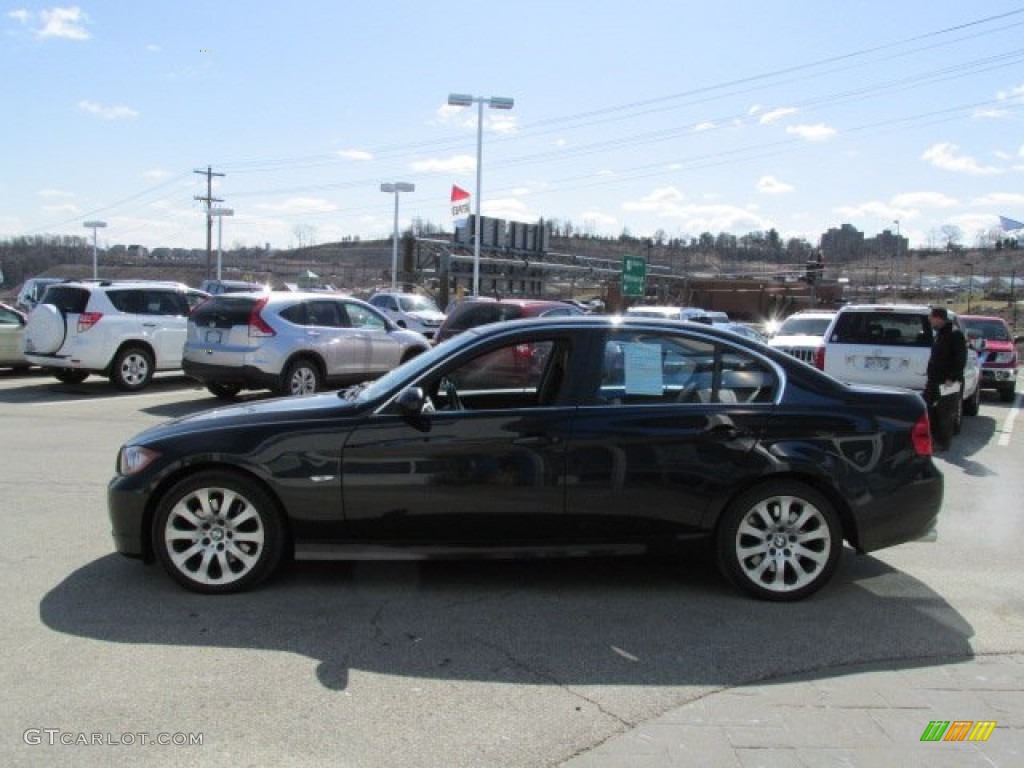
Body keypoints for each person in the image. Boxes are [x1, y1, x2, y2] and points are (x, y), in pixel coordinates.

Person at [925, 307, 967, 451]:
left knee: (945, 413)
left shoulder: (955, 334)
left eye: (931, 317)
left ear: (939, 318)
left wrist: (952, 377)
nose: (929, 320)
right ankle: (932, 440)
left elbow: (960, 359)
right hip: (934, 380)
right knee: (930, 410)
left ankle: (943, 443)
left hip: (948, 382)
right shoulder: (939, 334)